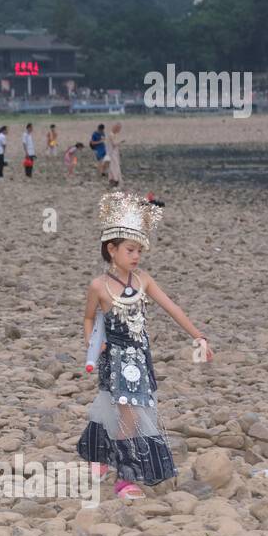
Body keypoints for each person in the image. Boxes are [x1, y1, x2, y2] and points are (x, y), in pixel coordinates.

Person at [79, 193, 212, 501]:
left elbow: (172, 308)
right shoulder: (99, 286)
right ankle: (125, 478)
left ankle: (99, 456)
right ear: (112, 250)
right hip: (114, 361)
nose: (136, 256)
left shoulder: (143, 280)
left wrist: (198, 336)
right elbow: (88, 319)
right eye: (130, 250)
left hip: (141, 360)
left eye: (139, 250)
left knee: (121, 411)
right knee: (130, 416)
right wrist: (90, 343)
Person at [106, 122, 125, 188]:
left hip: (114, 153)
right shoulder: (111, 135)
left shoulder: (114, 135)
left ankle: (114, 181)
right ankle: (115, 181)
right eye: (119, 128)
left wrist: (119, 152)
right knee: (114, 167)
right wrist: (121, 141)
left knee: (114, 167)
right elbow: (114, 144)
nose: (119, 130)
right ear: (115, 128)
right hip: (112, 154)